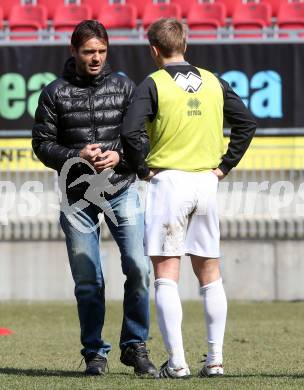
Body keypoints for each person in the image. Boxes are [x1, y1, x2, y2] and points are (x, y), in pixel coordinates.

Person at [121, 18, 257, 379]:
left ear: (154, 49)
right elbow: (247, 123)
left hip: (169, 182)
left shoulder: (154, 83)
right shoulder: (213, 81)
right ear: (185, 45)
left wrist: (142, 168)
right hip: (206, 184)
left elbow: (130, 130)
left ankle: (177, 362)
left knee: (166, 274)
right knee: (210, 275)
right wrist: (224, 167)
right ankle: (215, 360)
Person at [32, 20, 157, 377]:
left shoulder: (124, 87)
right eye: (89, 52)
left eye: (101, 51)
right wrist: (76, 157)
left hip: (121, 189)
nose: (96, 58)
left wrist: (119, 156)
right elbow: (41, 145)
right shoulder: (54, 93)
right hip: (76, 198)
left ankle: (134, 347)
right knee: (88, 280)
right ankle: (94, 354)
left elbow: (141, 137)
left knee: (138, 267)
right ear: (74, 51)